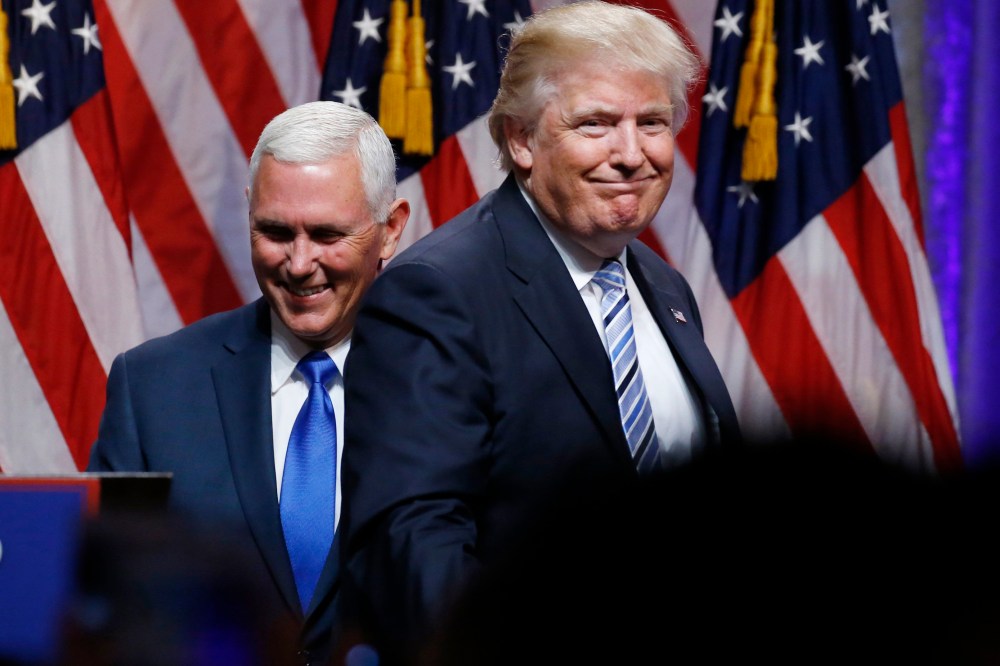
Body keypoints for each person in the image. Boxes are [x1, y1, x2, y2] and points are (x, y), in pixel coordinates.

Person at [338, 2, 741, 663]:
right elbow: (411, 549)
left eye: (653, 124)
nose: (632, 154)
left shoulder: (665, 291)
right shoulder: (438, 292)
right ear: (522, 139)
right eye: (597, 124)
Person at [88, 100, 409, 666]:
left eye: (328, 234)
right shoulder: (154, 387)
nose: (300, 262)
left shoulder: (450, 379)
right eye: (276, 231)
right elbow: (104, 602)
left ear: (390, 230)